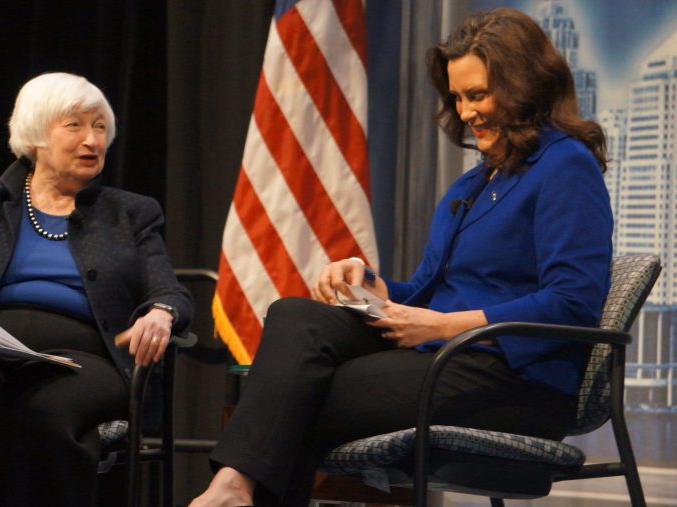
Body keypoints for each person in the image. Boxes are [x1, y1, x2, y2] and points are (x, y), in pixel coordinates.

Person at [190, 7, 613, 506]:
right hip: (450, 359)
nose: (464, 112)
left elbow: (574, 302)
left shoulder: (565, 166)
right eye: (457, 97)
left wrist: (441, 326)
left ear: (525, 84)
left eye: (477, 95)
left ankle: (230, 489)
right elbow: (430, 287)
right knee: (296, 316)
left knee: (303, 391)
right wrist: (372, 287)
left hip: (514, 380)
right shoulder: (474, 184)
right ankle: (233, 488)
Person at [0, 72, 193, 506]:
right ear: (35, 135)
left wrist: (161, 312)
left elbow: (171, 292)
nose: (92, 140)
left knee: (40, 412)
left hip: (83, 363)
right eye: (75, 125)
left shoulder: (131, 213)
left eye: (100, 126)